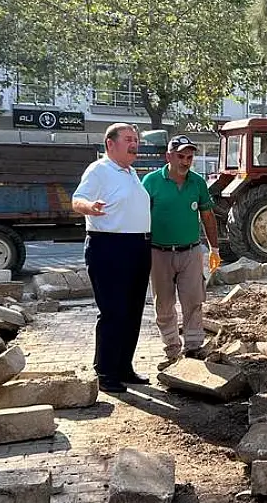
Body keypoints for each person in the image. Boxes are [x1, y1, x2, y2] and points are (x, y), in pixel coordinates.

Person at [72, 123, 152, 394]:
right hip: (109, 248)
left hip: (137, 247)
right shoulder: (100, 170)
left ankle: (123, 367)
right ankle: (105, 372)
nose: (135, 144)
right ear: (110, 144)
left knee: (132, 312)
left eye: (136, 140)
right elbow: (77, 200)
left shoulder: (130, 173)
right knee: (114, 312)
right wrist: (90, 208)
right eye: (129, 139)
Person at [142, 135, 222, 370]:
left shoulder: (197, 183)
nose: (185, 161)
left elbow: (208, 216)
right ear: (169, 156)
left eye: (189, 157)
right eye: (180, 156)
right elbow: (140, 218)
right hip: (159, 253)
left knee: (193, 300)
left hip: (190, 252)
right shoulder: (151, 182)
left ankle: (194, 347)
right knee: (164, 304)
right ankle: (171, 350)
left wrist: (214, 249)